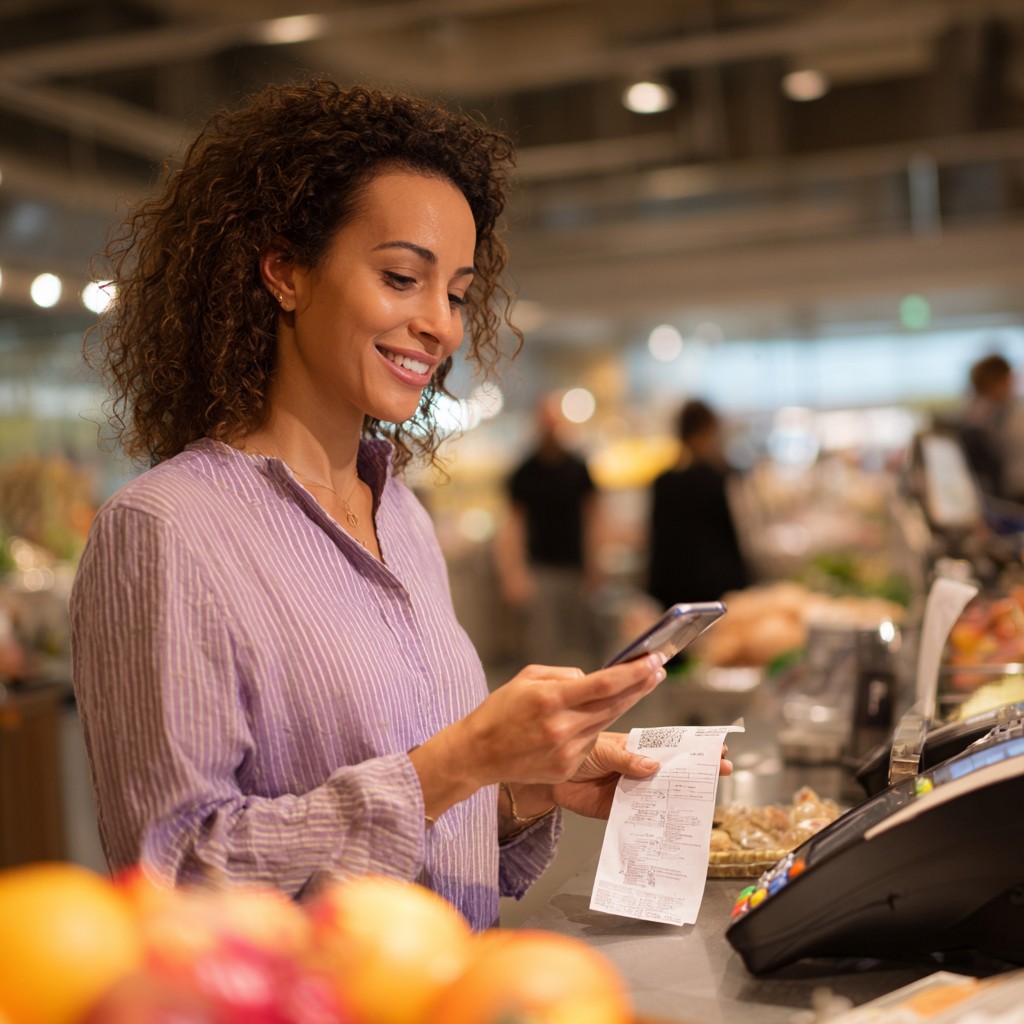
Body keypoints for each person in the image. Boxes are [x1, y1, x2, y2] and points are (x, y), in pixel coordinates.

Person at [70, 78, 731, 931]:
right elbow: (175, 881)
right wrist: (456, 763)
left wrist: (519, 789)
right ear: (285, 272)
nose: (441, 326)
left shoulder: (403, 519)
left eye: (455, 294)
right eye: (400, 278)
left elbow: (409, 832)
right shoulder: (164, 532)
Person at [495, 393, 602, 667]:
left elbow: (593, 518)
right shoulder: (524, 472)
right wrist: (514, 572)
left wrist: (596, 564)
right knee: (543, 647)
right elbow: (514, 525)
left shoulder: (579, 469)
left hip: (575, 568)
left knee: (580, 645)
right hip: (540, 569)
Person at [647, 399, 750, 613]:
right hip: (715, 586)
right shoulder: (717, 477)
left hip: (672, 586)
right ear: (709, 430)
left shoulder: (663, 481)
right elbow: (732, 533)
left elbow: (657, 541)